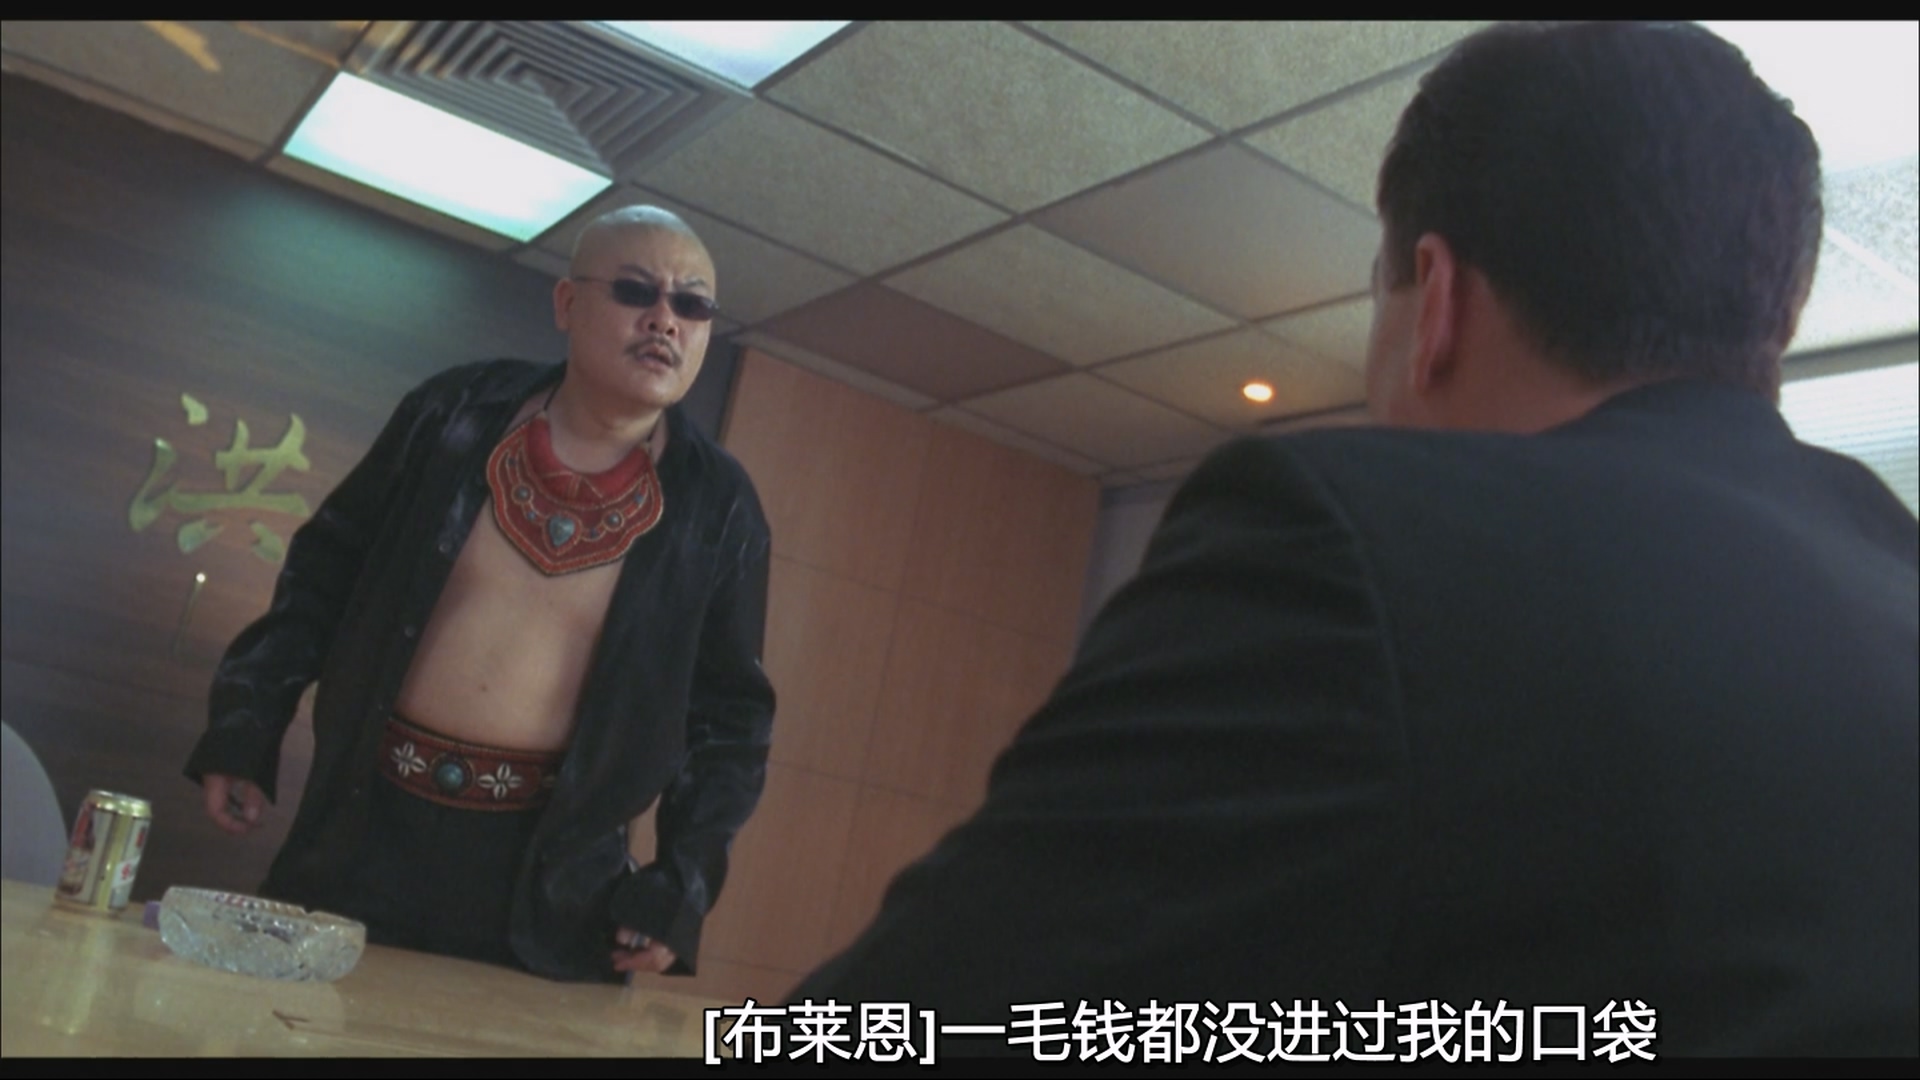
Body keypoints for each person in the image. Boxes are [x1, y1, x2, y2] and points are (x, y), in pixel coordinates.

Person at [788, 22, 1918, 1057]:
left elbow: (922, 1025)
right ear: (1772, 324)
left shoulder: (1346, 545)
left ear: (1435, 303)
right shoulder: (1891, 570)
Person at [184, 205, 775, 983]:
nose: (665, 320)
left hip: (553, 883)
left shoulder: (719, 504)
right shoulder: (452, 414)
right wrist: (247, 724)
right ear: (567, 303)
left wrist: (680, 884)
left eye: (692, 305)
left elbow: (730, 719)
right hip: (365, 824)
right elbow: (323, 575)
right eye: (637, 291)